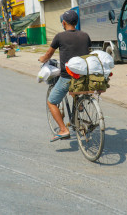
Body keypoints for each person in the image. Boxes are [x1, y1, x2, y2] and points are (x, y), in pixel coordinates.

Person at [39, 10, 91, 142]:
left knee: (51, 102)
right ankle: (79, 104)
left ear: (63, 23)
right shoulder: (85, 35)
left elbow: (48, 55)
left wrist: (42, 59)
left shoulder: (60, 37)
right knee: (76, 87)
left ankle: (63, 130)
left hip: (67, 77)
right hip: (84, 77)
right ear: (76, 22)